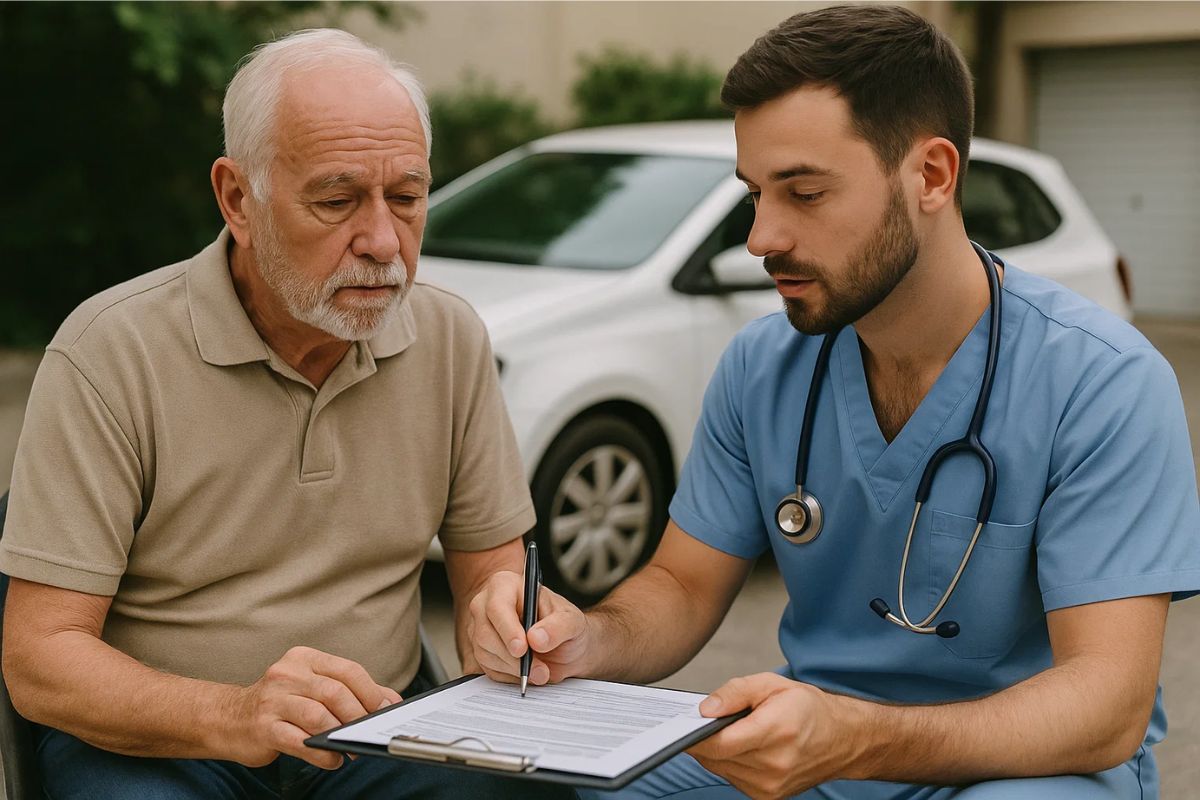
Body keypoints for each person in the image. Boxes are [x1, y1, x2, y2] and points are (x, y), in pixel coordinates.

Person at [465, 6, 1200, 799]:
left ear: (932, 175)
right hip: (822, 753)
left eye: (805, 193)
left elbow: (1107, 705)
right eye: (755, 195)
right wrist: (581, 638)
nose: (760, 237)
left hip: (1023, 767)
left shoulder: (1102, 381)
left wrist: (856, 736)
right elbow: (681, 588)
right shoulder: (763, 366)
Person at [0, 28, 573, 800]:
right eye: (337, 201)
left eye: (407, 198)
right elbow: (40, 660)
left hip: (380, 732)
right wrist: (233, 716)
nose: (383, 242)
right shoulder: (110, 351)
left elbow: (491, 577)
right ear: (238, 199)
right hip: (160, 744)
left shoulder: (448, 336)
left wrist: (506, 625)